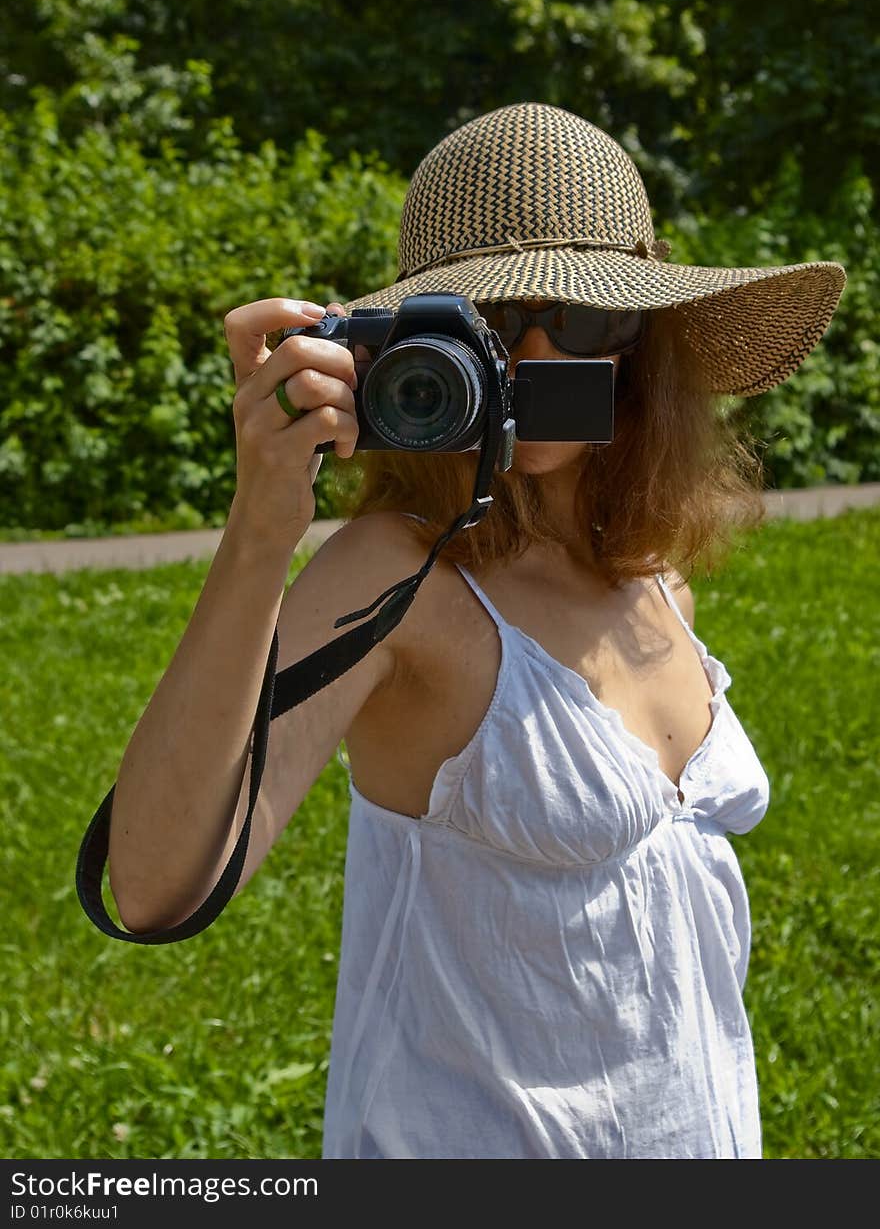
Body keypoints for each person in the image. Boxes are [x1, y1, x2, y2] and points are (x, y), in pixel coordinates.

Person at [107, 103, 847, 1159]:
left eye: (585, 316)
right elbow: (152, 883)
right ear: (416, 342)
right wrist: (262, 526)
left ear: (641, 343)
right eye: (493, 322)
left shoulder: (654, 581)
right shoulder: (397, 572)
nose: (536, 350)